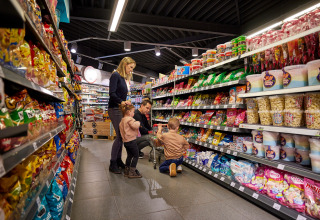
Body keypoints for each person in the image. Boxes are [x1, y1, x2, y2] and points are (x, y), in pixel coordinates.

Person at [108, 57, 136, 174]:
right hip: (114, 109)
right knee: (120, 136)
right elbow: (112, 93)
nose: (131, 70)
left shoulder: (123, 78)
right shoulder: (115, 75)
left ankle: (118, 160)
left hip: (120, 109)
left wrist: (125, 102)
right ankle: (113, 163)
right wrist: (121, 101)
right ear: (124, 64)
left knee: (122, 135)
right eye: (130, 67)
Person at [119, 104, 142, 178]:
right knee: (136, 155)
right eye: (133, 112)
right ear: (129, 112)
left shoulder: (122, 120)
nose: (134, 113)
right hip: (131, 140)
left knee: (129, 155)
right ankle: (132, 172)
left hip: (125, 141)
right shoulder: (129, 119)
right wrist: (138, 123)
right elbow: (134, 125)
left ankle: (127, 170)